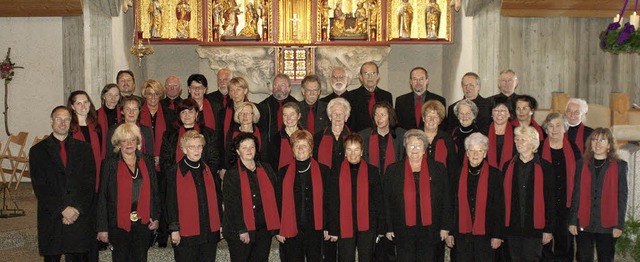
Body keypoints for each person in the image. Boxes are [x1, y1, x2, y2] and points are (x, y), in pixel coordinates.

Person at [30, 106, 97, 262]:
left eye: (66, 119)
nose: (63, 123)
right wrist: (62, 209)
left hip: (78, 216)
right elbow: (40, 187)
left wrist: (76, 209)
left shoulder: (84, 149)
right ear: (51, 121)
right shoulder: (38, 151)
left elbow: (89, 182)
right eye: (58, 119)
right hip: (52, 217)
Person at [383, 129, 451, 260]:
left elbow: (446, 199)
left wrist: (445, 226)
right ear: (405, 147)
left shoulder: (438, 169)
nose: (415, 149)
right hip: (402, 229)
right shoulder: (393, 170)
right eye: (411, 145)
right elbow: (386, 201)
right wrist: (389, 227)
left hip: (431, 229)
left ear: (424, 148)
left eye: (419, 145)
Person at [96, 123, 160, 262]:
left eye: (132, 139)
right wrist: (102, 228)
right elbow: (102, 197)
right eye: (124, 140)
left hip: (143, 223)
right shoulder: (109, 164)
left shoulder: (147, 161)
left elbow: (155, 192)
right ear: (118, 143)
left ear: (138, 141)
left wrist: (155, 217)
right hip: (118, 223)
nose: (129, 143)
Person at [569, 128, 628, 262]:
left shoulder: (620, 166)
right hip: (584, 221)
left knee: (606, 258)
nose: (598, 143)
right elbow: (576, 193)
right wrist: (572, 221)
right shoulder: (581, 164)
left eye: (602, 140)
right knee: (583, 258)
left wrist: (619, 225)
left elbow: (622, 197)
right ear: (590, 144)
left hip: (608, 223)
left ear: (609, 145)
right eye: (594, 140)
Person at [445, 132, 504, 262]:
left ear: (485, 153)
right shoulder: (456, 174)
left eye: (479, 151)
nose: (475, 154)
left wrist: (497, 235)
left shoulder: (495, 175)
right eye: (472, 151)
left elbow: (499, 207)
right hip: (461, 234)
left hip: (486, 235)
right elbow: (450, 205)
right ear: (467, 153)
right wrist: (449, 232)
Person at [166, 130, 223, 262]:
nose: (197, 150)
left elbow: (217, 197)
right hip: (186, 234)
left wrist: (220, 224)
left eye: (199, 146)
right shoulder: (174, 171)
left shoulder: (208, 169)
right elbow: (170, 202)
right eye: (192, 147)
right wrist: (174, 228)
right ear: (184, 150)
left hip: (209, 231)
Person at [325, 133, 383, 262]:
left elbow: (379, 201)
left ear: (362, 151)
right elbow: (332, 202)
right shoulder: (336, 171)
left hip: (368, 225)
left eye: (356, 149)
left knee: (367, 258)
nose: (353, 153)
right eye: (349, 150)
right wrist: (332, 228)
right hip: (344, 224)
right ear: (345, 152)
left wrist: (381, 227)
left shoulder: (372, 171)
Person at [277, 130, 332, 262]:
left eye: (304, 145)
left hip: (316, 229)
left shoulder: (324, 170)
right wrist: (279, 229)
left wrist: (329, 227)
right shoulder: (283, 172)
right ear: (292, 149)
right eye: (297, 145)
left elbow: (330, 202)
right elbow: (278, 202)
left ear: (311, 148)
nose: (300, 149)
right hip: (291, 229)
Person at [223, 133, 280, 261]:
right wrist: (242, 229)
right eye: (244, 147)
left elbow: (276, 195)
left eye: (252, 147)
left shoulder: (266, 168)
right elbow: (232, 206)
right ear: (237, 151)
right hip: (240, 231)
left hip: (263, 229)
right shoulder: (232, 175)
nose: (249, 150)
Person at [502, 126, 555, 262]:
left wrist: (548, 229)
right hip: (512, 227)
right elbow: (502, 200)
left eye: (523, 140)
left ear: (533, 143)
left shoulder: (545, 167)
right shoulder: (508, 166)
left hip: (535, 228)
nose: (518, 143)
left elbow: (551, 200)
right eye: (517, 139)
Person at [540, 113, 581, 262]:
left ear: (565, 128)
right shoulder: (538, 149)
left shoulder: (573, 149)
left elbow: (579, 177)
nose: (554, 129)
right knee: (544, 243)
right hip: (544, 204)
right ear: (546, 129)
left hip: (566, 204)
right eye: (550, 126)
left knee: (565, 244)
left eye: (558, 125)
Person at [421, 100, 458, 261]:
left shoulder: (447, 140)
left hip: (439, 197)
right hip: (417, 195)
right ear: (423, 118)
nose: (431, 119)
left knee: (435, 246)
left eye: (435, 116)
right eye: (428, 115)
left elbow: (453, 171)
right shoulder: (414, 137)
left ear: (440, 119)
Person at [160, 98, 220, 191]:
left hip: (204, 182)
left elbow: (214, 159)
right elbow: (165, 161)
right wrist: (176, 177)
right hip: (176, 182)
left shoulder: (209, 134)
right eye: (183, 112)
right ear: (179, 115)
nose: (187, 115)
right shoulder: (169, 135)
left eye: (190, 111)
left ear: (196, 114)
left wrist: (201, 178)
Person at [68, 90, 102, 192]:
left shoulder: (96, 125)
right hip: (76, 175)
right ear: (73, 106)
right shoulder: (69, 128)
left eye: (85, 102)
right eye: (78, 103)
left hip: (95, 172)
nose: (83, 106)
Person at [346, 61, 393, 132]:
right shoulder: (351, 97)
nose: (370, 76)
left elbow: (391, 121)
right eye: (366, 73)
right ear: (361, 77)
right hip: (359, 139)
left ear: (378, 76)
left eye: (373, 73)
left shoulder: (386, 96)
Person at [360, 101, 405, 174]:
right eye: (376, 115)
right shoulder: (364, 135)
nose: (379, 118)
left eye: (382, 115)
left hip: (394, 177)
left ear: (390, 116)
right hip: (371, 178)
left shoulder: (401, 135)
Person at [140, 79, 176, 171]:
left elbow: (172, 141)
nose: (153, 97)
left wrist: (161, 158)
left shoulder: (170, 114)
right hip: (141, 163)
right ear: (144, 95)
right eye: (149, 94)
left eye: (156, 94)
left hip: (164, 164)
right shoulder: (137, 114)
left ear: (160, 95)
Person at [258, 73, 298, 143]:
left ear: (289, 89)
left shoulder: (297, 106)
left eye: (282, 85)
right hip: (269, 146)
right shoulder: (262, 106)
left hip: (291, 144)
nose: (278, 88)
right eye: (276, 85)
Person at [314, 97, 351, 170]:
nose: (338, 116)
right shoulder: (318, 137)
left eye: (341, 113)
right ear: (330, 116)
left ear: (346, 117)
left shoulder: (353, 138)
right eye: (335, 113)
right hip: (325, 178)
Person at [224, 102, 264, 167]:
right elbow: (228, 154)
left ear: (253, 116)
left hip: (257, 168)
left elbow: (264, 156)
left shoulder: (261, 134)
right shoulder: (231, 133)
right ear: (237, 116)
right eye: (241, 113)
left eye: (248, 113)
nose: (244, 116)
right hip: (235, 169)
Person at [268, 102, 302, 170]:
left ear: (299, 116)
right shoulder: (276, 138)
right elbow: (271, 164)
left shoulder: (306, 136)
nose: (288, 118)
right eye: (285, 115)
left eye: (292, 114)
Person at [485, 97, 516, 170]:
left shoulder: (517, 133)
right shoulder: (482, 132)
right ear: (491, 114)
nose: (499, 114)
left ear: (509, 114)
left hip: (511, 173)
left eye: (503, 111)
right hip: (487, 173)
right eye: (496, 110)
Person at [97, 83, 122, 158]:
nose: (113, 98)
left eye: (116, 95)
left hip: (120, 153)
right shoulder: (95, 115)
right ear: (104, 96)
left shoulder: (123, 114)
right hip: (103, 154)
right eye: (109, 95)